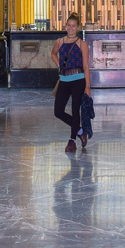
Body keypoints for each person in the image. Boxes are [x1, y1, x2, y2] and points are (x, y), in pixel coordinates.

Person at [51, 12, 91, 152]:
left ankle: (72, 140)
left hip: (78, 80)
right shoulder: (59, 42)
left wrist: (88, 87)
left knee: (75, 110)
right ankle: (80, 131)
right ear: (65, 26)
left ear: (78, 28)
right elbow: (53, 53)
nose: (71, 28)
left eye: (74, 26)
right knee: (58, 111)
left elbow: (86, 66)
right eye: (69, 25)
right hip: (64, 80)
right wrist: (58, 65)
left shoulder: (82, 44)